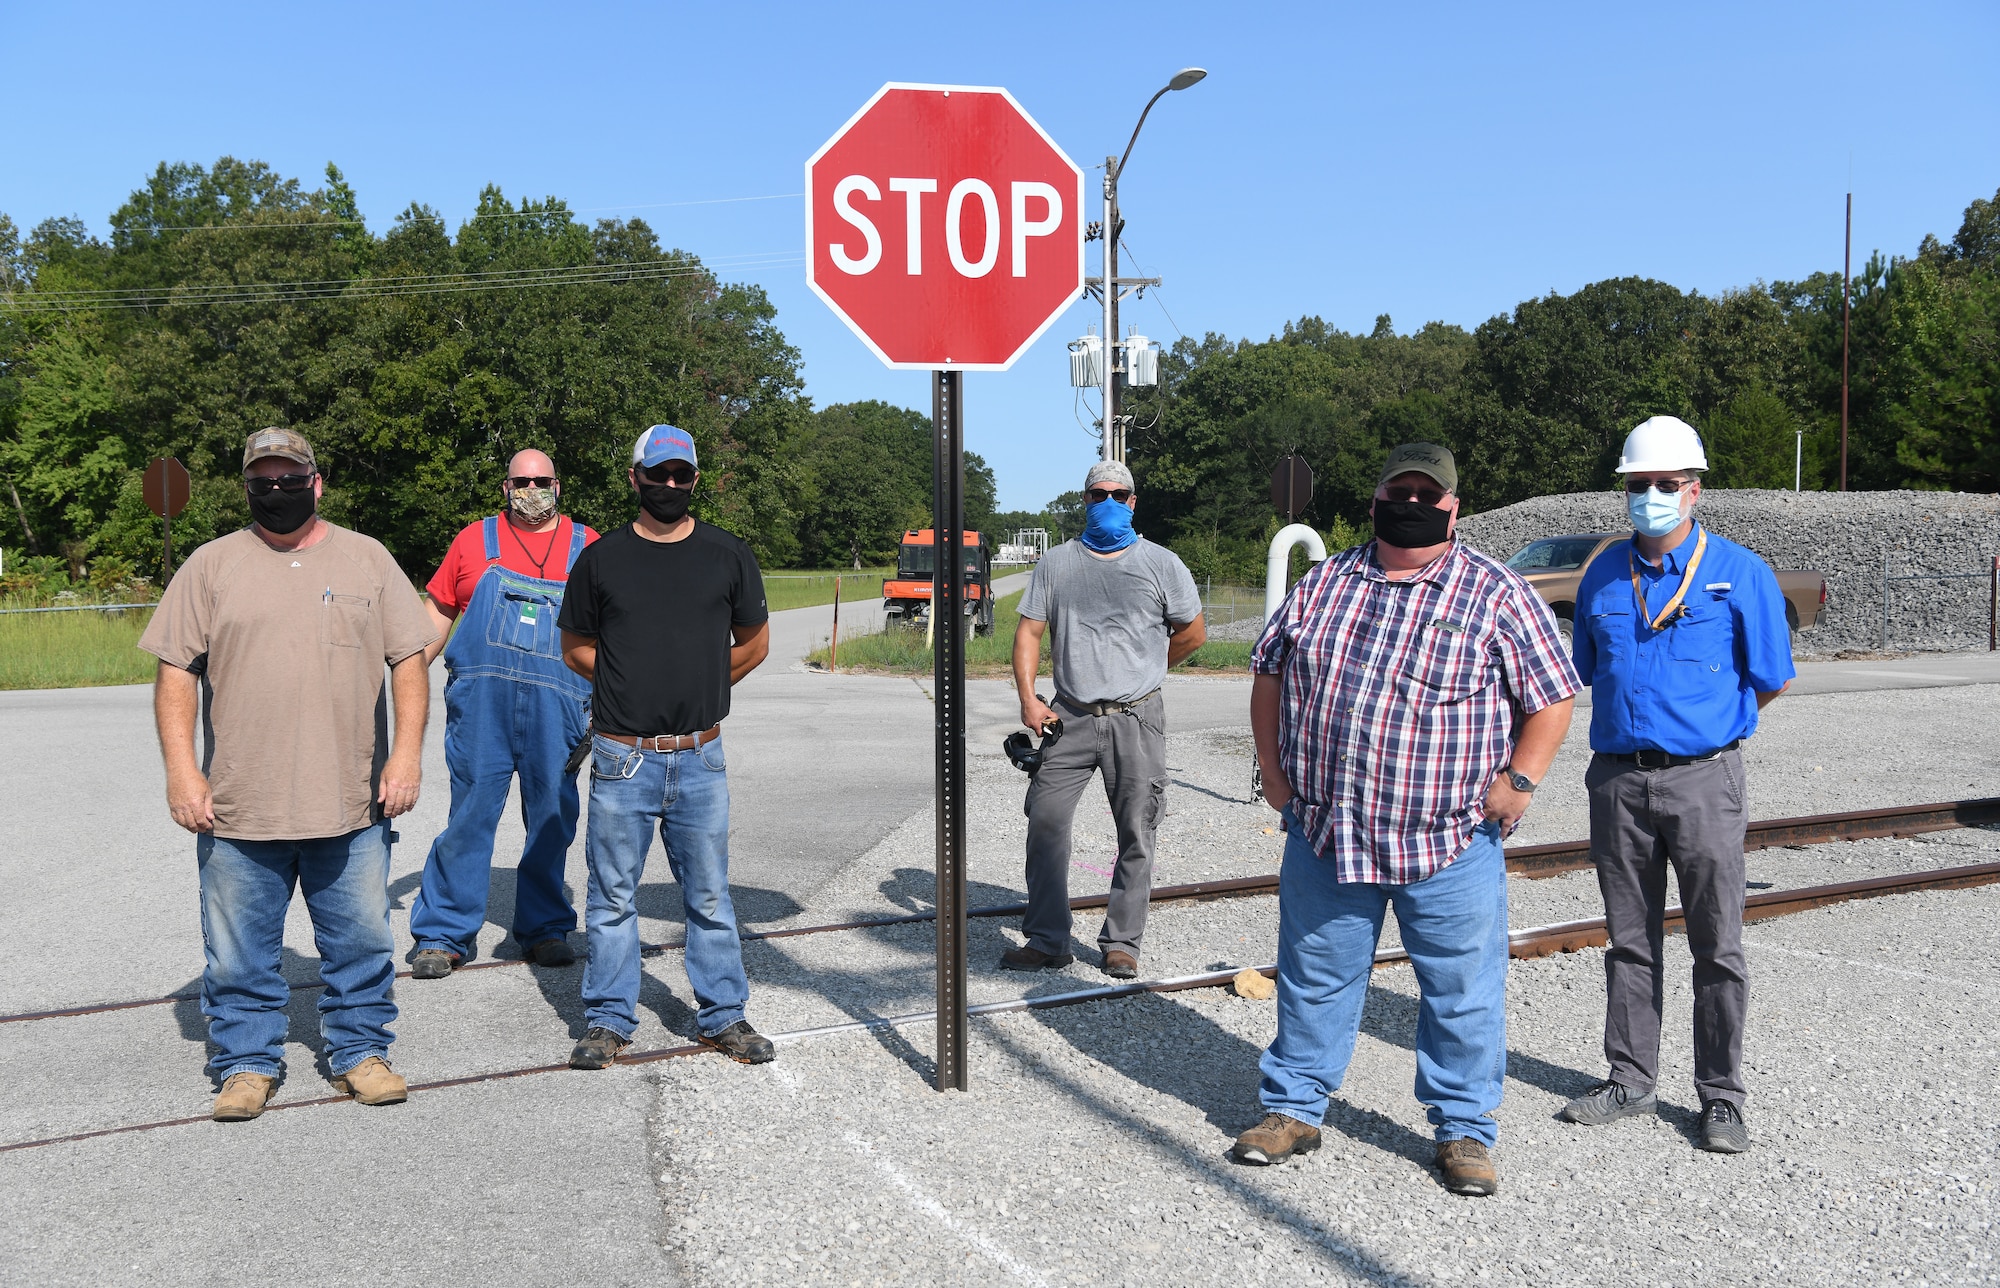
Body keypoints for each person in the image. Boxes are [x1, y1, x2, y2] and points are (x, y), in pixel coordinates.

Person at [1232, 443, 1579, 1197]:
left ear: (1454, 506)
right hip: (1330, 833)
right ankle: (1293, 1109)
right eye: (1402, 489)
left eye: (1430, 493)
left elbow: (1552, 697)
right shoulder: (1325, 582)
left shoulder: (1496, 592)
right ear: (1377, 497)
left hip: (1449, 840)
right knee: (1314, 979)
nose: (1414, 502)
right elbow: (1270, 673)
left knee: (1461, 990)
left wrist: (1520, 781)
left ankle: (1463, 1130)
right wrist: (1277, 777)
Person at [140, 428, 436, 1122]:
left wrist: (407, 755)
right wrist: (182, 772)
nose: (277, 492)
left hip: (352, 802)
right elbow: (174, 672)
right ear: (246, 488)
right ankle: (245, 1063)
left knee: (361, 941)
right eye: (262, 482)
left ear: (316, 482)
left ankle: (361, 1052)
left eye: (289, 479)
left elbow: (410, 661)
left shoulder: (367, 559)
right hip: (240, 806)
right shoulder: (210, 567)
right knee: (240, 954)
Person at [1557, 416, 1793, 1154]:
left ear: (1694, 491)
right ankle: (1630, 1078)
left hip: (1702, 780)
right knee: (1629, 941)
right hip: (1619, 783)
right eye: (1638, 485)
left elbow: (1770, 679)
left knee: (1717, 944)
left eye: (1665, 484)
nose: (1650, 496)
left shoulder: (1741, 571)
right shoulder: (1601, 572)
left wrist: (1712, 731)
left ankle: (1721, 1098)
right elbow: (1589, 668)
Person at [555, 424, 775, 1070]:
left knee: (708, 896)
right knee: (613, 897)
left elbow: (755, 642)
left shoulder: (727, 554)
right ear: (635, 477)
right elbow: (575, 648)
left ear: (695, 480)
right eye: (658, 474)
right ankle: (608, 1019)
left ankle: (722, 1015)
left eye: (681, 476)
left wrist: (706, 679)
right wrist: (632, 682)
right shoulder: (602, 560)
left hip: (702, 756)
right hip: (624, 757)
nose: (669, 486)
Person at [1007, 459, 1206, 980]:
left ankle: (1122, 942)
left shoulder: (1162, 564)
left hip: (1136, 718)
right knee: (1046, 823)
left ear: (1134, 502)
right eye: (1100, 495)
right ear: (1086, 500)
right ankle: (1048, 939)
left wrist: (1147, 669)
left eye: (1120, 494)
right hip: (1066, 715)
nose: (1110, 503)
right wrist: (1029, 698)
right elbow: (1029, 632)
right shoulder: (1056, 563)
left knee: (1137, 831)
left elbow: (1192, 632)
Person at [407, 449, 600, 978]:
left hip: (558, 708)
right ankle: (443, 933)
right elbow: (440, 610)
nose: (531, 489)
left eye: (541, 480)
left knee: (552, 818)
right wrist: (405, 669)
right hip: (482, 710)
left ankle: (545, 929)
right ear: (505, 486)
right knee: (469, 815)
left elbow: (616, 626)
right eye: (521, 480)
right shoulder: (474, 540)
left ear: (558, 485)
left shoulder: (590, 548)